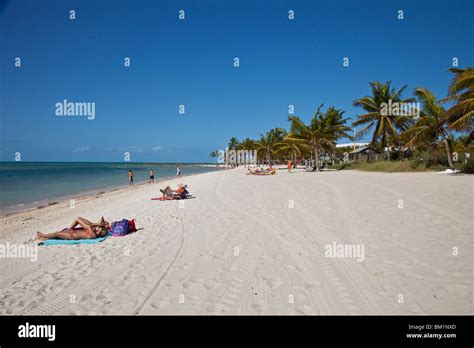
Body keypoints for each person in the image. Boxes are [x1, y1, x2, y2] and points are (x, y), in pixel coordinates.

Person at [37, 217, 110, 241]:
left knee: (57, 233)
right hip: (72, 232)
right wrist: (98, 224)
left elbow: (87, 226)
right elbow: (89, 226)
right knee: (57, 234)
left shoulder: (93, 235)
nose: (98, 228)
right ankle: (44, 238)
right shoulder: (94, 232)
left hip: (71, 236)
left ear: (99, 233)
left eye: (99, 229)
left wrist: (97, 224)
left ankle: (43, 235)